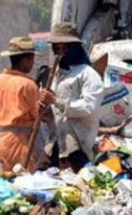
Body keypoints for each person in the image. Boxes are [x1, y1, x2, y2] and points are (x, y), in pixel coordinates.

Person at [38, 22, 104, 172]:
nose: (61, 53)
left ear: (74, 47)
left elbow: (88, 107)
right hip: (56, 141)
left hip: (77, 144)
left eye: (65, 48)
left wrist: (55, 101)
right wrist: (44, 111)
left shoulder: (88, 74)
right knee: (37, 178)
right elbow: (55, 112)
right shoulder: (58, 75)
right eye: (57, 48)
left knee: (80, 184)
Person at [0, 37, 41, 172]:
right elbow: (39, 115)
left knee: (6, 185)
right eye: (31, 60)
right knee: (25, 185)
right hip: (21, 144)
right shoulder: (28, 85)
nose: (32, 64)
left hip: (3, 141)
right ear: (25, 60)